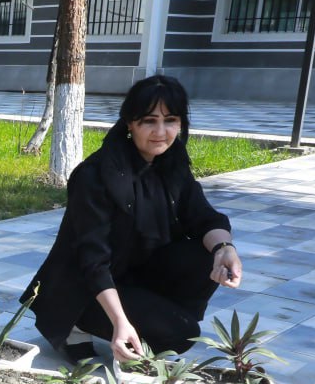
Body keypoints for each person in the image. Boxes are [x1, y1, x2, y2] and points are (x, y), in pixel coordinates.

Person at [22, 74, 243, 363]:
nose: (161, 132)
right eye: (149, 121)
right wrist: (119, 321)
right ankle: (78, 324)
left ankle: (150, 322)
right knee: (178, 334)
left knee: (204, 259)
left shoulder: (171, 164)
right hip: (83, 288)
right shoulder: (96, 175)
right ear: (130, 123)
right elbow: (93, 260)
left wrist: (225, 249)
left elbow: (203, 216)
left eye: (171, 120)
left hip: (132, 274)